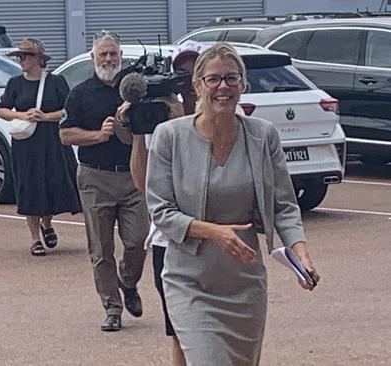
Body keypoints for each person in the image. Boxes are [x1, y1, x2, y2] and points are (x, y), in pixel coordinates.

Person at [145, 42, 320, 365]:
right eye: (213, 79)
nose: (223, 87)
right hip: (190, 280)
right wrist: (215, 232)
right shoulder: (169, 136)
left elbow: (284, 204)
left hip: (244, 283)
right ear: (197, 86)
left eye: (231, 78)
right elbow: (160, 211)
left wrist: (301, 254)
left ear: (243, 84)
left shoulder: (263, 135)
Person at [117, 40, 205, 366]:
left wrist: (185, 122)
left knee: (216, 332)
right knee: (180, 333)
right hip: (168, 241)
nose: (189, 85)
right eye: (181, 76)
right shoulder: (160, 116)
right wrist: (138, 128)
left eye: (195, 75)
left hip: (212, 237)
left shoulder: (226, 116)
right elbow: (142, 183)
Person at [59, 31, 148, 331]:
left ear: (120, 56)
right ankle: (112, 308)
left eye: (113, 54)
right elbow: (64, 134)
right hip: (95, 177)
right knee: (101, 248)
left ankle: (128, 281)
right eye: (103, 54)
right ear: (92, 58)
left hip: (133, 176)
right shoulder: (80, 93)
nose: (108, 59)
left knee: (137, 242)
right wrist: (97, 135)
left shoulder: (134, 90)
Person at [0, 38, 80, 256]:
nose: (21, 60)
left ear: (38, 59)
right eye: (20, 56)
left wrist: (45, 116)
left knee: (52, 183)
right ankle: (35, 238)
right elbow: (2, 110)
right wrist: (22, 114)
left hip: (51, 141)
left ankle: (47, 222)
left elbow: (68, 110)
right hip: (26, 145)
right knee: (30, 186)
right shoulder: (15, 83)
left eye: (26, 56)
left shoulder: (56, 82)